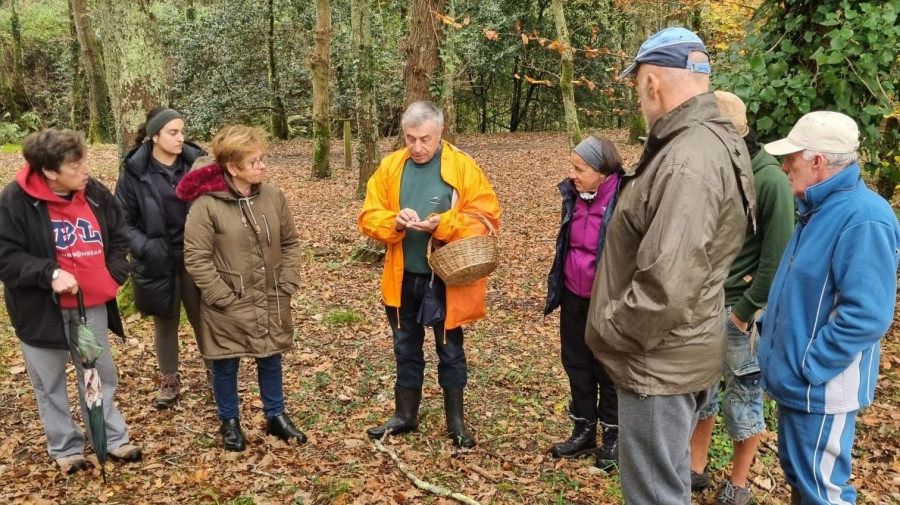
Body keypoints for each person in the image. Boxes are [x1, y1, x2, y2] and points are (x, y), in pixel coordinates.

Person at [584, 27, 756, 505]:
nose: (639, 95)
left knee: (654, 494)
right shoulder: (711, 139)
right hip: (682, 347)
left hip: (657, 361)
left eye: (637, 83)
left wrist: (609, 332)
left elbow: (665, 285)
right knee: (669, 481)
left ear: (652, 82)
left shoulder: (688, 158)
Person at [758, 111, 900, 505]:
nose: (785, 165)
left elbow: (867, 314)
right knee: (805, 483)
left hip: (820, 389)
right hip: (799, 385)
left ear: (817, 162)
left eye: (793, 157)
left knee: (824, 491)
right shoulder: (818, 208)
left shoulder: (864, 218)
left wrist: (811, 365)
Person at [359, 101, 501, 448]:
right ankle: (405, 415)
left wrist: (445, 223)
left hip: (445, 279)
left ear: (440, 133)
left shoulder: (462, 167)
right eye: (410, 138)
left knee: (449, 348)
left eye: (425, 139)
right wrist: (393, 221)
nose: (417, 147)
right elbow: (368, 216)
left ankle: (456, 421)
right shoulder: (391, 166)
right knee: (405, 346)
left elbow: (486, 219)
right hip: (402, 276)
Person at [0, 129, 142, 473]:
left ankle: (109, 437)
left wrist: (113, 275)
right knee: (49, 382)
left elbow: (119, 236)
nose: (86, 168)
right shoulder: (15, 200)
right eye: (76, 164)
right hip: (40, 313)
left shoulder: (94, 193)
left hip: (89, 310)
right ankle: (66, 447)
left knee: (97, 374)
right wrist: (49, 273)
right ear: (50, 171)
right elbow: (6, 255)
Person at [688, 91, 795, 505]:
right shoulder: (716, 169)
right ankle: (695, 469)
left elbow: (778, 254)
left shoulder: (768, 179)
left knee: (744, 397)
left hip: (738, 312)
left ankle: (739, 484)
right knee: (701, 391)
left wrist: (745, 312)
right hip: (704, 304)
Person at [177, 125, 307, 452]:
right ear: (233, 168)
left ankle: (276, 416)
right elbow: (195, 256)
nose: (262, 166)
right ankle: (229, 421)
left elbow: (290, 242)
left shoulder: (274, 197)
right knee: (225, 361)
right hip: (228, 300)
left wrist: (287, 281)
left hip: (271, 294)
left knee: (270, 355)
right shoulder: (206, 205)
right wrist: (221, 295)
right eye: (254, 162)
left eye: (262, 159)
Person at [115, 107, 209, 409]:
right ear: (155, 136)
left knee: (205, 320)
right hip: (157, 259)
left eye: (182, 131)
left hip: (197, 256)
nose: (181, 138)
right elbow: (123, 221)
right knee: (165, 323)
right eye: (173, 132)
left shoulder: (198, 163)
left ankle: (217, 373)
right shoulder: (134, 171)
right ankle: (169, 379)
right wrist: (145, 248)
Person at [544, 135, 622, 469]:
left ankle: (614, 436)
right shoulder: (573, 196)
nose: (572, 174)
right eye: (572, 167)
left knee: (607, 368)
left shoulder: (623, 198)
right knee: (576, 362)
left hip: (607, 301)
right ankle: (584, 430)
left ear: (603, 171)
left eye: (580, 168)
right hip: (574, 295)